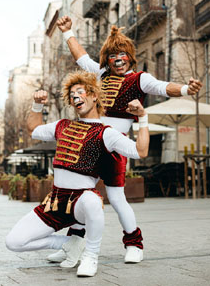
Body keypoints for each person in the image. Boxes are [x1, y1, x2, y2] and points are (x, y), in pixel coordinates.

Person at [49, 15, 203, 265]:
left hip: (115, 147)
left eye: (122, 56)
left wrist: (186, 90)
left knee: (118, 198)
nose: (118, 60)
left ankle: (134, 244)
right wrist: (67, 32)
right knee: (79, 196)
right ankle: (73, 244)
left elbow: (163, 87)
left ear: (130, 57)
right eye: (112, 56)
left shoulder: (140, 79)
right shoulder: (99, 74)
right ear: (107, 59)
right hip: (90, 146)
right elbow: (81, 56)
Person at [6, 71, 149, 277]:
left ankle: (91, 255)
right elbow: (33, 128)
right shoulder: (61, 125)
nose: (76, 97)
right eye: (72, 94)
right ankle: (69, 243)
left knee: (92, 201)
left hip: (80, 202)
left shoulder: (106, 132)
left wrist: (142, 118)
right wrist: (37, 105)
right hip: (55, 202)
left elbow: (140, 151)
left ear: (94, 96)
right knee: (13, 242)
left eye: (80, 92)